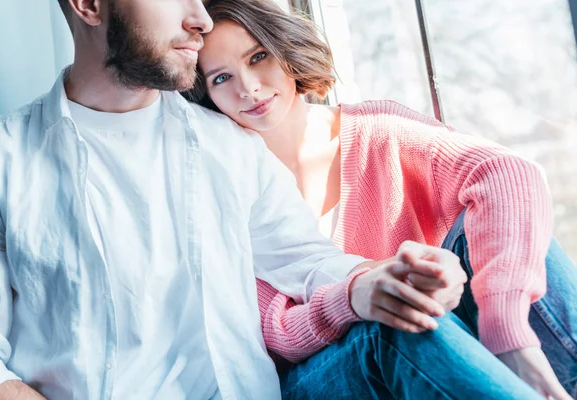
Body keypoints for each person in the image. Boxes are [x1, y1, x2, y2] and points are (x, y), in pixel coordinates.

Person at [0, 0, 490, 399]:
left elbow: (305, 260)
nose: (199, 19)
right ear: (89, 5)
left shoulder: (231, 147)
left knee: (411, 326)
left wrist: (372, 280)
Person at [185, 0, 577, 399]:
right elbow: (278, 331)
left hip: (438, 341)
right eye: (220, 79)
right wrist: (358, 298)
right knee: (396, 317)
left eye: (258, 56)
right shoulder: (222, 189)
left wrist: (507, 330)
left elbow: (508, 173)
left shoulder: (379, 131)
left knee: (509, 229)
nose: (248, 87)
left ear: (283, 47)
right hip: (327, 370)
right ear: (206, 100)